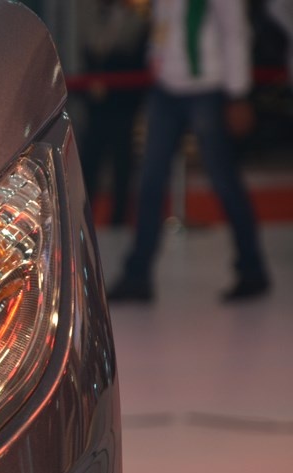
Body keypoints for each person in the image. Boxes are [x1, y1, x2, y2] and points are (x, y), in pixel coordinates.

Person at [107, 0, 272, 303]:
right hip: (166, 88)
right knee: (150, 181)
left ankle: (252, 269)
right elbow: (163, 23)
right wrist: (156, 59)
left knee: (224, 181)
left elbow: (234, 31)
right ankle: (137, 274)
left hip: (206, 87)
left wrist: (238, 94)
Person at [76, 0, 150, 227]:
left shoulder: (137, 24)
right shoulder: (92, 18)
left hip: (122, 107)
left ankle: (119, 221)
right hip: (96, 108)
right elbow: (89, 55)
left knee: (122, 167)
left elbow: (137, 62)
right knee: (89, 165)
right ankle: (82, 222)